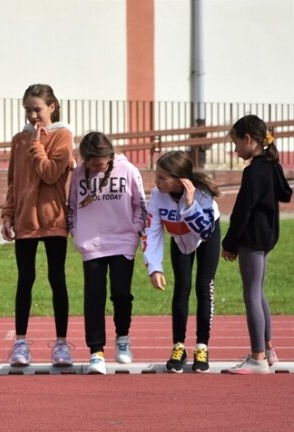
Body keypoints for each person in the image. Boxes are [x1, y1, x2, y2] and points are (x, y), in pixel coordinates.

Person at [1, 84, 74, 367]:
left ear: (51, 107)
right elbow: (13, 181)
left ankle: (61, 345)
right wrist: (8, 214)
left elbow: (51, 173)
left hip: (53, 220)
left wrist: (36, 144)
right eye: (28, 109)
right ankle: (20, 344)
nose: (33, 115)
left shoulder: (63, 136)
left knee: (57, 279)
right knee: (25, 280)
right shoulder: (19, 139)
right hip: (25, 221)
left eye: (37, 109)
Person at [67, 131, 147, 375]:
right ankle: (96, 351)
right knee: (94, 298)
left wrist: (135, 231)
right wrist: (76, 231)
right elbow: (71, 206)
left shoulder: (129, 170)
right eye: (91, 162)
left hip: (123, 241)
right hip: (92, 244)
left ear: (109, 155)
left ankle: (122, 337)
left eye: (99, 162)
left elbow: (140, 205)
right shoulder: (79, 174)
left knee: (121, 294)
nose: (95, 166)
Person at [222, 115, 292, 375]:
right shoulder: (271, 164)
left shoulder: (254, 171)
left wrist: (230, 242)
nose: (235, 149)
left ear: (249, 140)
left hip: (253, 238)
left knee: (251, 293)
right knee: (258, 290)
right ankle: (269, 349)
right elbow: (286, 193)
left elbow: (242, 210)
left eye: (236, 143)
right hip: (269, 237)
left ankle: (257, 357)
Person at [143, 151, 221, 373]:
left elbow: (205, 232)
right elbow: (152, 231)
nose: (156, 182)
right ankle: (178, 346)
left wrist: (189, 206)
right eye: (156, 176)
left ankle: (202, 346)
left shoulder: (202, 195)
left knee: (204, 286)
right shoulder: (158, 196)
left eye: (162, 178)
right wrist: (154, 267)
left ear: (179, 180)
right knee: (182, 286)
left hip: (205, 235)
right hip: (180, 239)